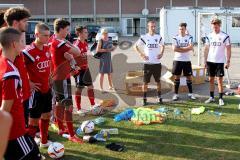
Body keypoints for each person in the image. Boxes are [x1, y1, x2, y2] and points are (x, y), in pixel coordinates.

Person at [0, 27, 41, 160]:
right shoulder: (10, 72)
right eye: (21, 41)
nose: (24, 46)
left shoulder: (3, 63)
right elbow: (5, 110)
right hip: (14, 134)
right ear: (13, 44)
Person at [50, 18, 83, 143]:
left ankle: (60, 128)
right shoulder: (59, 43)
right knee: (68, 106)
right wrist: (66, 41)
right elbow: (77, 51)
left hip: (58, 77)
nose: (68, 33)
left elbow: (68, 57)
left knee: (59, 104)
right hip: (62, 78)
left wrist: (72, 64)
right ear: (61, 29)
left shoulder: (53, 40)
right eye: (67, 30)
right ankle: (71, 134)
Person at [23, 23, 52, 148]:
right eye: (45, 35)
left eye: (49, 35)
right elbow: (18, 69)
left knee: (46, 116)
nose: (48, 38)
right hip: (36, 92)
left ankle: (44, 142)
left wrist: (50, 76)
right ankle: (30, 148)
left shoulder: (47, 49)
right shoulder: (28, 52)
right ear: (36, 35)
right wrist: (28, 82)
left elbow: (47, 66)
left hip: (47, 89)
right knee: (33, 121)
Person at [3, 7, 31, 127]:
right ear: (15, 22)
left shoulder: (16, 41)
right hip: (15, 101)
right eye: (24, 21)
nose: (27, 24)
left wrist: (28, 81)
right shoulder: (8, 45)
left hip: (23, 96)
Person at [134, 20, 165, 106]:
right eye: (151, 26)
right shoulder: (144, 37)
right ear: (148, 27)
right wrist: (141, 54)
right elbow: (135, 46)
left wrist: (161, 53)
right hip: (147, 64)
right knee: (145, 82)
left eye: (154, 26)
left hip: (157, 64)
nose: (153, 28)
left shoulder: (158, 37)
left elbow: (163, 45)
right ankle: (144, 99)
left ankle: (159, 98)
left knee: (158, 81)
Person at [204, 18, 231, 106]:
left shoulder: (225, 36)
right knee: (211, 79)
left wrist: (228, 61)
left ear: (219, 26)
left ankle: (220, 98)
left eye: (216, 27)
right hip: (210, 61)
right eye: (213, 27)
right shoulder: (209, 36)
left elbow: (228, 49)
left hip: (219, 62)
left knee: (219, 80)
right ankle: (211, 97)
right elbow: (206, 49)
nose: (215, 28)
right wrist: (205, 60)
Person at [73, 26, 96, 114]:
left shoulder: (85, 43)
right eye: (85, 32)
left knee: (90, 86)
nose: (87, 34)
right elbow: (70, 58)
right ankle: (79, 109)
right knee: (79, 89)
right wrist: (75, 67)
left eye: (87, 32)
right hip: (79, 71)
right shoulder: (76, 45)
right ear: (80, 33)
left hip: (86, 69)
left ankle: (93, 105)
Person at [171, 23, 196, 101]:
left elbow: (191, 47)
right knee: (176, 77)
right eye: (180, 29)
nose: (181, 30)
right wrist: (186, 49)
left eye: (182, 29)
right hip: (177, 60)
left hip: (186, 60)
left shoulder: (190, 37)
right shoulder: (175, 37)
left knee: (189, 77)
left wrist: (181, 48)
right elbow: (174, 49)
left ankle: (191, 93)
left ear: (185, 29)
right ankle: (175, 94)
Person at [96, 28, 116, 93]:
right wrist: (106, 50)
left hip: (108, 58)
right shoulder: (100, 40)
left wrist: (113, 48)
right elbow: (97, 50)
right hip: (103, 59)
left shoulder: (110, 39)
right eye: (104, 33)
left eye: (106, 33)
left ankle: (110, 86)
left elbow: (112, 46)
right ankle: (101, 88)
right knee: (102, 74)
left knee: (109, 73)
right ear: (102, 34)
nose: (105, 34)